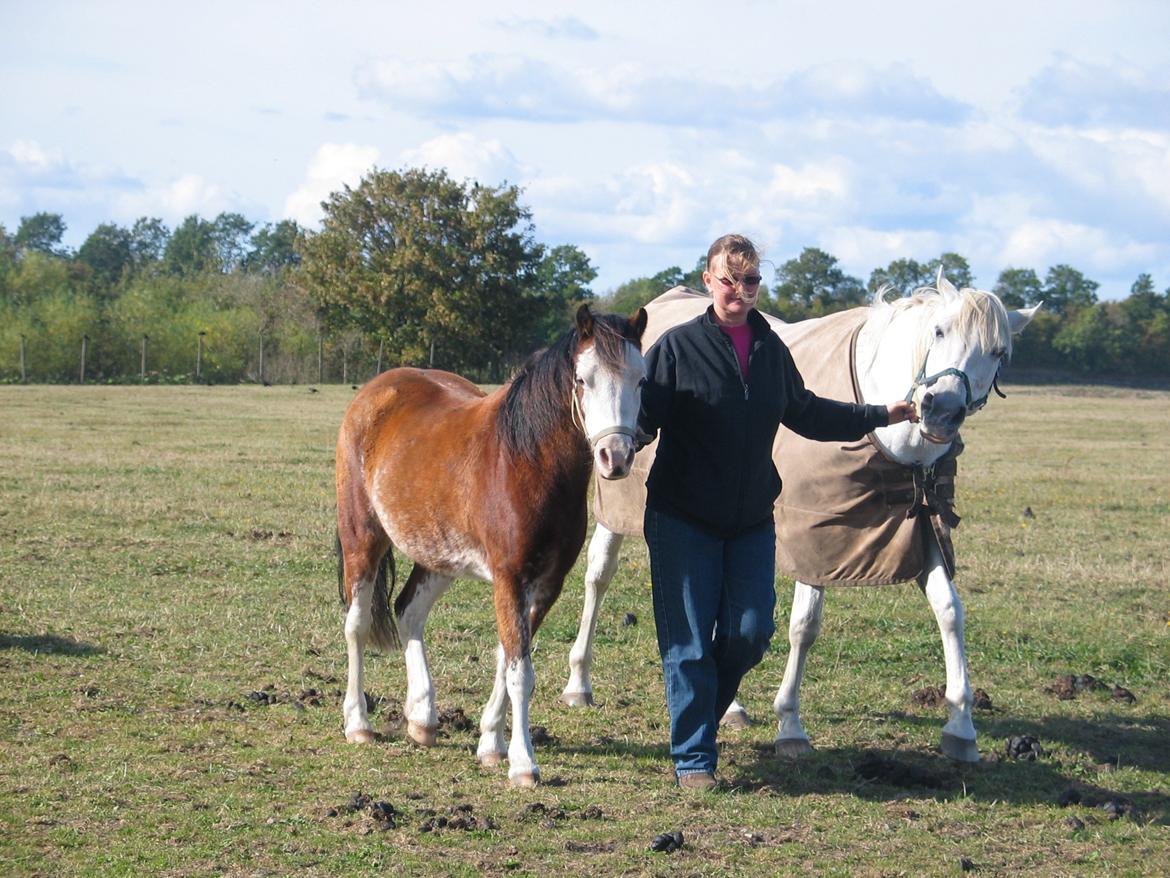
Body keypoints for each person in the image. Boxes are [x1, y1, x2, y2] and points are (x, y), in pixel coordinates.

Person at [637, 234, 918, 789]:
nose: (740, 292)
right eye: (728, 280)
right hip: (681, 517)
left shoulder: (769, 350)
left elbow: (807, 412)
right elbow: (642, 417)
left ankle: (696, 723)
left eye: (750, 281)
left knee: (750, 630)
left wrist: (881, 414)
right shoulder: (675, 348)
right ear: (707, 281)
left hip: (748, 520)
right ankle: (694, 758)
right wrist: (615, 444)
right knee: (689, 642)